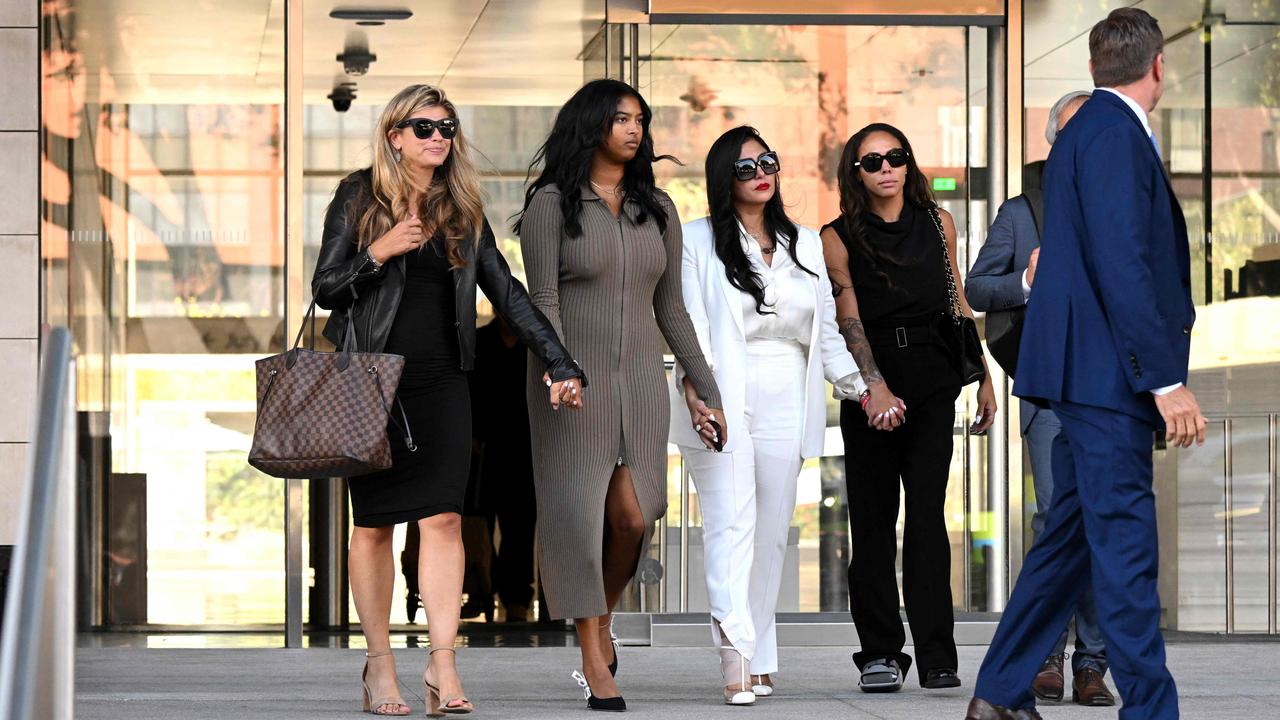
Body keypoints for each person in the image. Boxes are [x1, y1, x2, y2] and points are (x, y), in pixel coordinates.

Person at [311, 84, 586, 716]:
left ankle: (441, 665)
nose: (440, 137)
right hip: (373, 382)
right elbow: (327, 288)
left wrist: (559, 359)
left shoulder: (461, 208)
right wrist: (379, 252)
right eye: (425, 127)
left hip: (442, 382)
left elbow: (507, 291)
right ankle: (380, 667)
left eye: (447, 127)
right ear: (395, 136)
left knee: (442, 518)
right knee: (375, 525)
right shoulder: (360, 196)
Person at [966, 9, 1206, 720]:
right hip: (1107, 379)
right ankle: (1151, 712)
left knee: (1068, 540)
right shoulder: (1111, 134)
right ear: (1158, 65)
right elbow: (1123, 263)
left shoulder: (1090, 130)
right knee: (1127, 549)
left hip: (1086, 373)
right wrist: (1164, 380)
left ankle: (1001, 693)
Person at [514, 78, 724, 712]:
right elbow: (542, 298)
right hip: (571, 383)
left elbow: (673, 309)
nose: (633, 130)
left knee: (636, 516)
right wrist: (558, 368)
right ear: (590, 126)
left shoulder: (656, 207)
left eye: (640, 119)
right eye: (620, 119)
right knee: (578, 518)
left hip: (639, 379)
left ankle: (599, 617)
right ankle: (590, 655)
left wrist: (704, 386)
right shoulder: (552, 205)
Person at [673, 126, 869, 704]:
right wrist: (699, 390)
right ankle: (733, 650)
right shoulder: (696, 240)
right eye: (744, 166)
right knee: (732, 522)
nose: (761, 172)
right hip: (723, 388)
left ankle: (759, 652)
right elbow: (692, 324)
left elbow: (826, 332)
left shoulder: (806, 243)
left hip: (789, 386)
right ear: (722, 180)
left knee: (771, 533)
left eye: (768, 161)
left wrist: (863, 388)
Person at [820, 122, 997, 694]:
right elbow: (848, 319)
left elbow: (955, 302)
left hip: (932, 379)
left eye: (896, 156)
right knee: (872, 522)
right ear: (856, 173)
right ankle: (880, 652)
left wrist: (984, 378)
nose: (886, 168)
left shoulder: (937, 223)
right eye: (872, 162)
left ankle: (937, 655)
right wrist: (873, 388)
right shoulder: (837, 235)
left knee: (927, 519)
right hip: (872, 382)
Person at [965, 89, 1115, 708]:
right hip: (1051, 393)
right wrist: (1026, 278)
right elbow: (976, 287)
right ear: (1054, 141)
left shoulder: (1128, 204)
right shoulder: (1023, 211)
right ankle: (1046, 656)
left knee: (1101, 525)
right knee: (1058, 522)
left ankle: (1092, 664)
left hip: (1111, 396)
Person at [469, 315, 539, 623]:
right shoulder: (479, 340)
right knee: (476, 524)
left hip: (524, 447)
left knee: (519, 527)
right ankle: (481, 590)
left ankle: (516, 598)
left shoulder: (534, 344)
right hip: (482, 447)